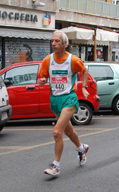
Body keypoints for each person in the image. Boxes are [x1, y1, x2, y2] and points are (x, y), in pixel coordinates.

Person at [38, 30, 89, 177]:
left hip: (69, 98)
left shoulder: (72, 60)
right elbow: (43, 78)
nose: (53, 43)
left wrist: (84, 87)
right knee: (68, 132)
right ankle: (81, 148)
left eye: (57, 41)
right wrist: (42, 81)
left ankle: (56, 166)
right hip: (55, 100)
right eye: (52, 41)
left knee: (57, 132)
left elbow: (84, 71)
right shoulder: (48, 60)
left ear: (65, 44)